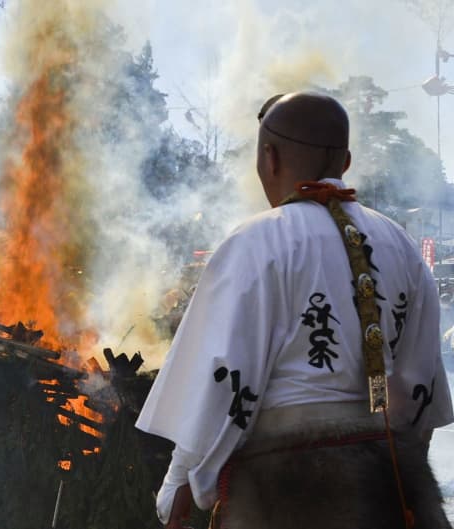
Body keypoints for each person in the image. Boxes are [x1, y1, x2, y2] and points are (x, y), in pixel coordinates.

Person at [136, 92, 453, 529]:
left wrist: (180, 481)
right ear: (345, 161)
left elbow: (219, 384)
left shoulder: (254, 243)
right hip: (390, 486)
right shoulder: (401, 244)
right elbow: (422, 391)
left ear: (269, 157)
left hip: (284, 491)